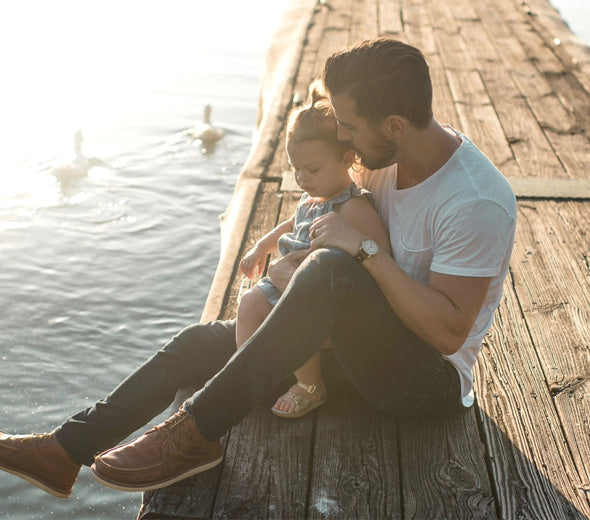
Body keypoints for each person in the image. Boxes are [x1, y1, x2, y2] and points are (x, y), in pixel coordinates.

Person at [0, 37, 516, 498]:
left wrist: (363, 253)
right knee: (199, 343)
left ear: (395, 127)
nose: (342, 136)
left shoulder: (473, 202)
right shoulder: (387, 160)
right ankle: (64, 451)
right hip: (354, 343)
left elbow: (449, 335)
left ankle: (195, 432)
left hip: (422, 380)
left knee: (329, 272)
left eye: (349, 126)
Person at [236, 82, 390, 418]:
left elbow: (381, 255)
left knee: (293, 321)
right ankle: (250, 376)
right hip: (287, 279)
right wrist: (262, 246)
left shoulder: (353, 207)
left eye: (313, 169)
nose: (302, 178)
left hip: (320, 297)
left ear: (348, 158)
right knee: (248, 305)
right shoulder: (313, 197)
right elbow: (292, 223)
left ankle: (310, 384)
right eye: (296, 169)